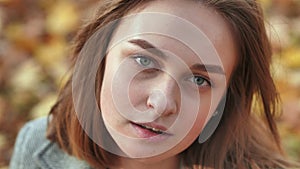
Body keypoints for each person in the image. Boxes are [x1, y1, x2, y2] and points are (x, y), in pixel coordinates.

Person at [9, 0, 299, 169]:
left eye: (199, 80)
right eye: (144, 61)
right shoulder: (40, 151)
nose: (160, 103)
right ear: (99, 53)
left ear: (224, 102)